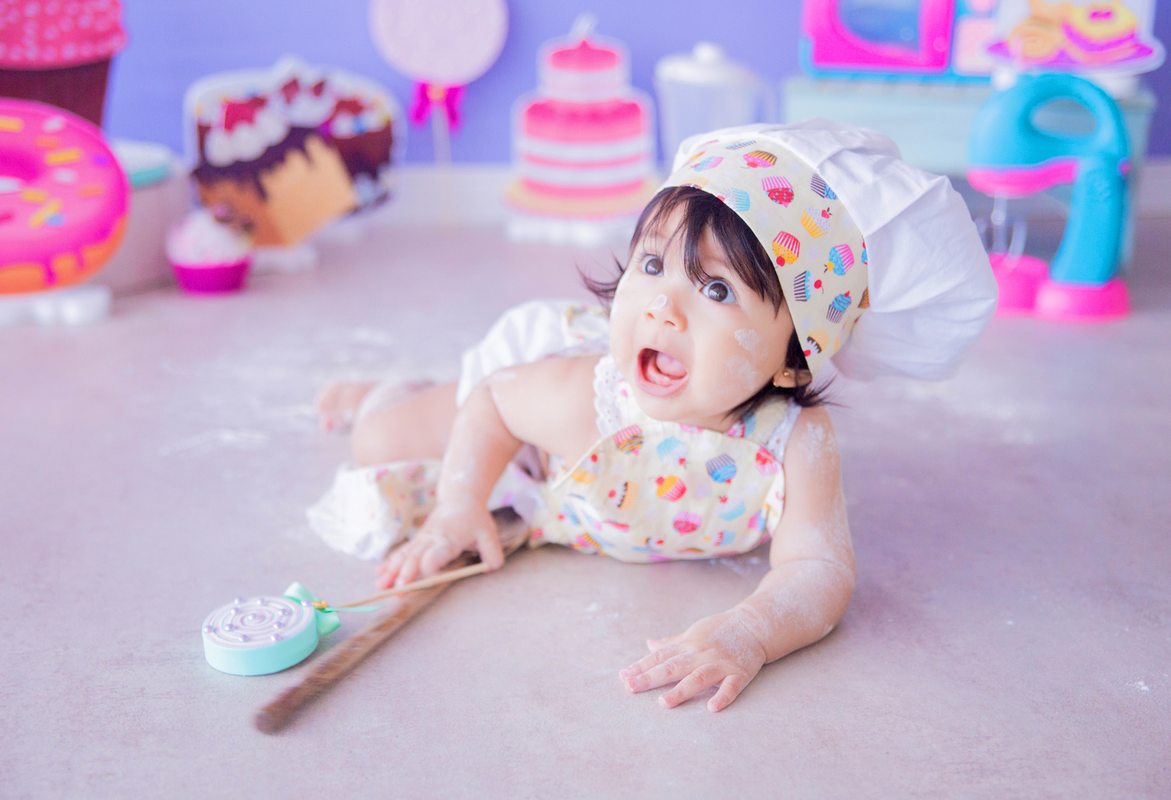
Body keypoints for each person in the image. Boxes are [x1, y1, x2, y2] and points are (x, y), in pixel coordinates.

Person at [310, 120, 997, 712]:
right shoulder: (584, 396)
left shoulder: (798, 440)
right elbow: (494, 400)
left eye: (717, 287)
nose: (664, 307)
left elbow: (819, 568)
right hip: (524, 430)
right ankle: (385, 387)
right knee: (381, 441)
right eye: (652, 262)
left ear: (794, 360)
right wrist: (458, 507)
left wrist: (751, 629)